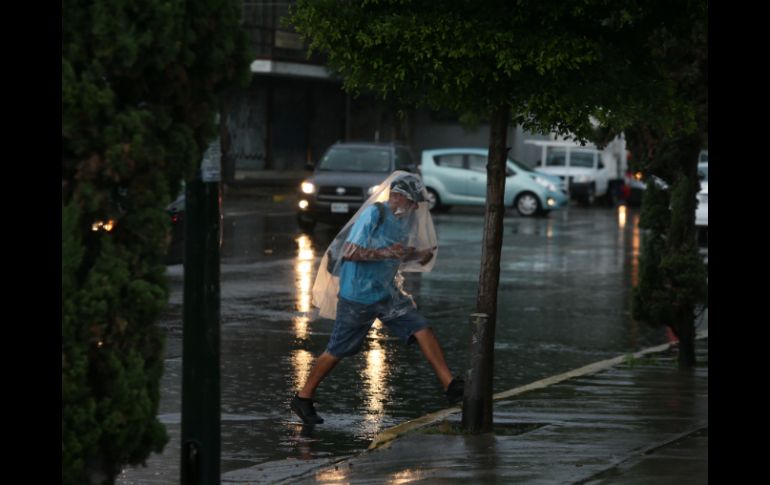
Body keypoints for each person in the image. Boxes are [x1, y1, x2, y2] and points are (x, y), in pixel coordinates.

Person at [291, 173, 464, 425]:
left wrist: (417, 255)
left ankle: (451, 387)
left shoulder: (405, 221)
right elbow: (350, 252)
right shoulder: (375, 214)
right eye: (412, 202)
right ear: (397, 197)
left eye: (417, 203)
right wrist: (386, 252)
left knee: (421, 327)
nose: (415, 208)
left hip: (387, 293)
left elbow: (396, 254)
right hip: (358, 293)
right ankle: (303, 397)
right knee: (338, 349)